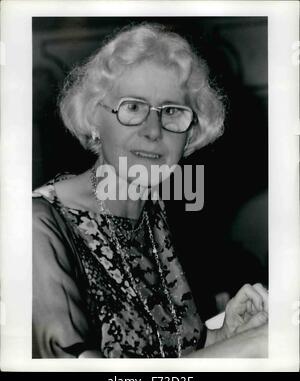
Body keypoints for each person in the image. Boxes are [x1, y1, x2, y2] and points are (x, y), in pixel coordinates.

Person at [32, 23, 268, 358]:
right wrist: (248, 348)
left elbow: (161, 360)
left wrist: (223, 336)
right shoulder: (40, 226)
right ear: (95, 118)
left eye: (171, 111)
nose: (153, 131)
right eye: (133, 107)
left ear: (191, 133)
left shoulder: (155, 213)